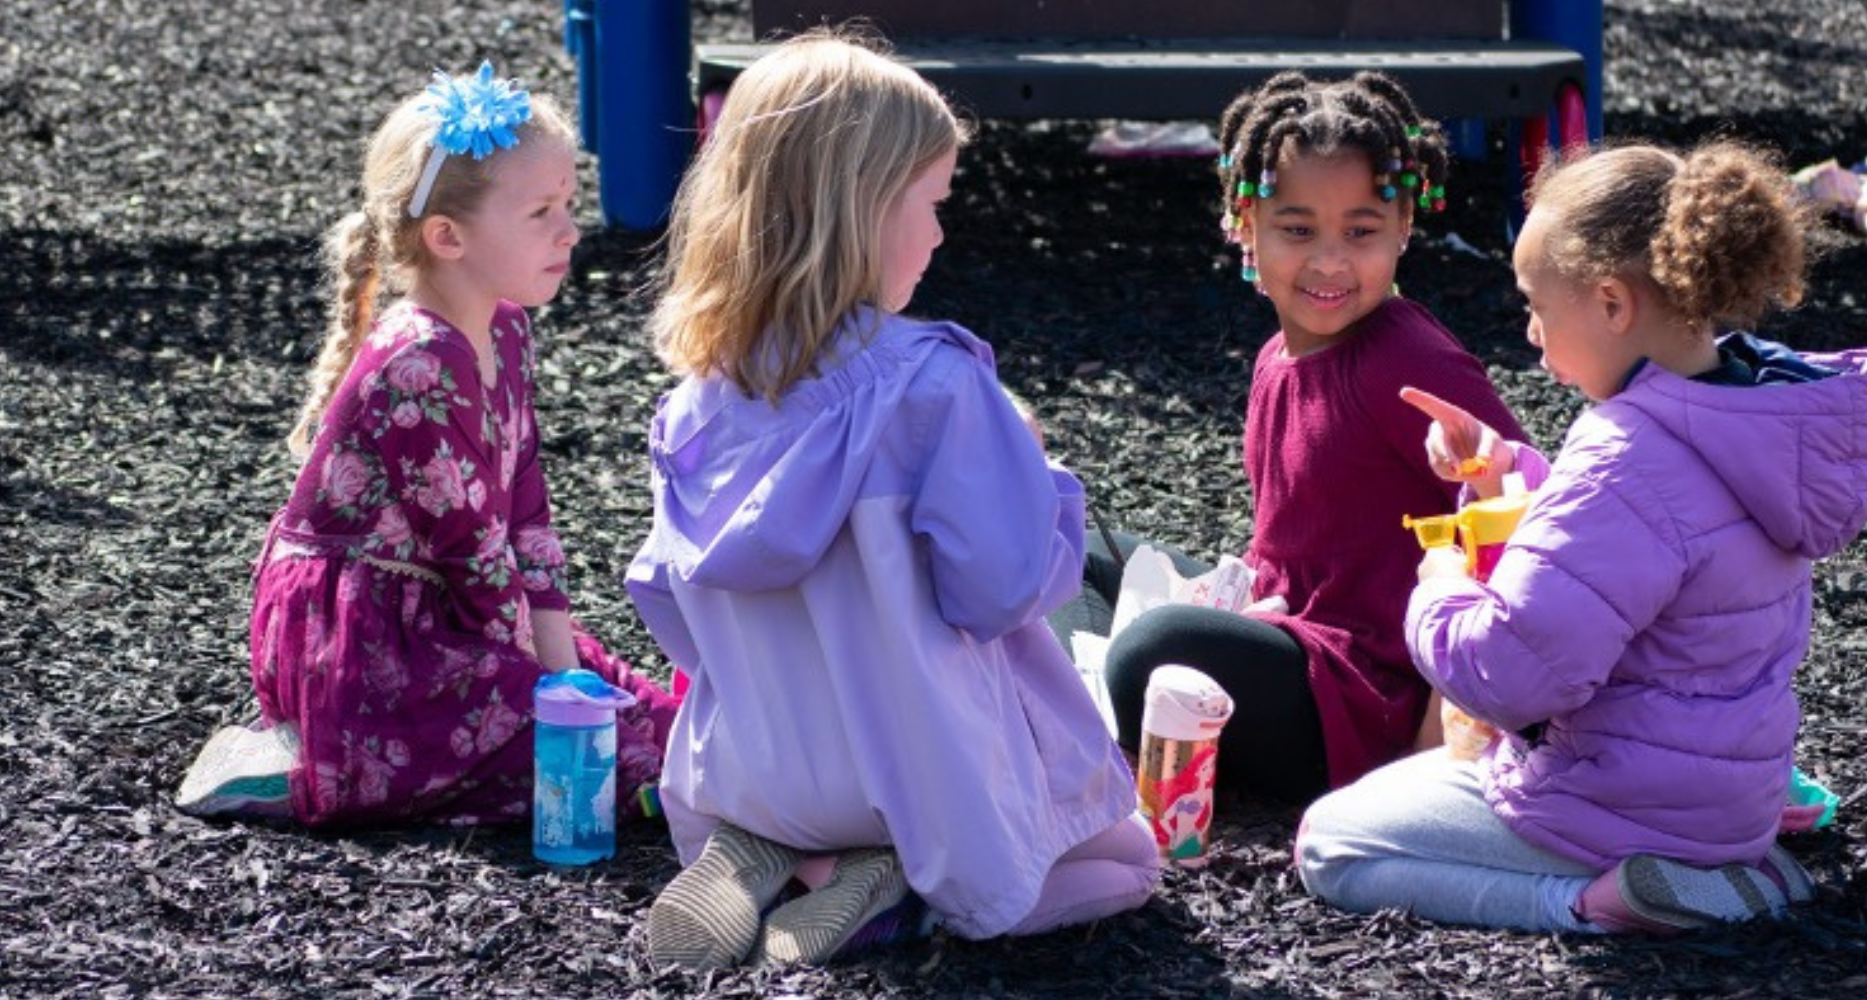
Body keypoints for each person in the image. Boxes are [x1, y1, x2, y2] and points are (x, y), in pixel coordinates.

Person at [623, 29, 1157, 970]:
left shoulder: (694, 406)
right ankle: (897, 888)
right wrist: (1039, 479)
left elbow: (667, 604)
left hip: (752, 767)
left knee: (808, 780)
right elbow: (1002, 589)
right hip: (920, 779)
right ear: (862, 207)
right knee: (1124, 862)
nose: (944, 233)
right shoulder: (932, 385)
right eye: (934, 203)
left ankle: (784, 850)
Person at [1293, 139, 1867, 935]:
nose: (1531, 333)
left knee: (1331, 844)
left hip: (1612, 805)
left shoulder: (1625, 459)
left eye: (1536, 305)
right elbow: (1635, 552)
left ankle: (1590, 905)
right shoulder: (1750, 420)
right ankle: (1742, 873)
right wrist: (1503, 470)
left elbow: (1512, 676)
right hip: (1727, 797)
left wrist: (1437, 590)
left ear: (1611, 304)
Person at [172, 64, 677, 827]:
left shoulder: (505, 328)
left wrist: (561, 666)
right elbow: (473, 555)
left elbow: (524, 508)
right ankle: (295, 765)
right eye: (541, 211)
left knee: (637, 708)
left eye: (569, 204)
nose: (571, 231)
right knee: (589, 753)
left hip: (449, 597)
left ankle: (643, 752)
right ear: (447, 237)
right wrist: (544, 685)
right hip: (372, 629)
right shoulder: (416, 364)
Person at [1094, 71, 1530, 805]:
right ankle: (1113, 710)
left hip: (1364, 706)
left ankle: (1105, 716)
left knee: (1152, 647)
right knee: (1067, 546)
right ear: (1244, 223)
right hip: (1294, 631)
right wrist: (1245, 605)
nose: (1330, 262)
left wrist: (1439, 727)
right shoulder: (1276, 357)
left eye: (1360, 232)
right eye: (1298, 231)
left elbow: (1524, 515)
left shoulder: (1406, 357)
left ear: (1403, 229)